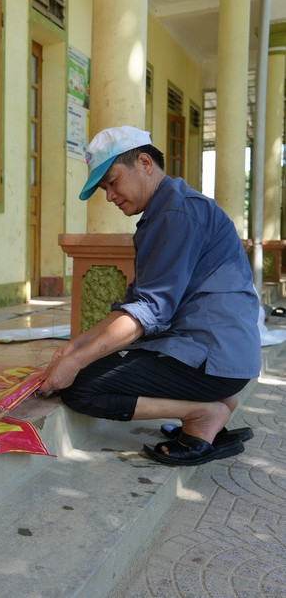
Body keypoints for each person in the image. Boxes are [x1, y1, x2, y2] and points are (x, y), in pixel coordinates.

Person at [39, 126, 260, 466]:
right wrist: (77, 346)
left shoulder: (176, 214)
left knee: (81, 387)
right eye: (104, 189)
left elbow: (148, 311)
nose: (110, 196)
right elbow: (136, 305)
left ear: (144, 163)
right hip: (223, 356)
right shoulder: (170, 209)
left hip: (211, 359)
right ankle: (219, 403)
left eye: (112, 182)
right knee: (92, 360)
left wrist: (77, 362)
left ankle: (202, 413)